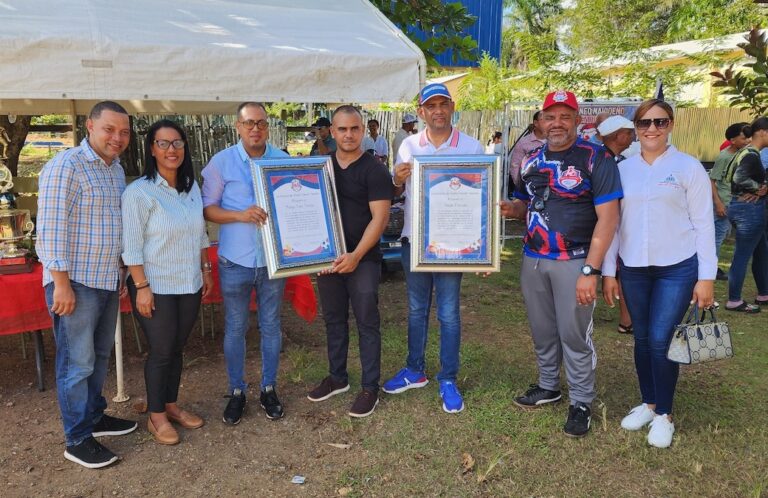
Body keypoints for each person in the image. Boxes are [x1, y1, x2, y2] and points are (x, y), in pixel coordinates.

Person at [500, 90, 622, 438]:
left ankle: (581, 401)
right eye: (550, 116)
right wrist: (514, 210)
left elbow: (609, 219)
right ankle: (548, 385)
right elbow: (528, 204)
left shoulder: (596, 158)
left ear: (576, 120)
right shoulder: (531, 160)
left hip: (576, 260)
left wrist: (591, 270)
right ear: (540, 121)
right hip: (534, 258)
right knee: (542, 329)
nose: (556, 123)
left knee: (574, 334)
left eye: (564, 116)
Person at [602, 98, 716, 449]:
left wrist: (706, 276)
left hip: (677, 267)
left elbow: (703, 223)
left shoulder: (688, 167)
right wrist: (609, 272)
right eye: (644, 123)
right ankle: (649, 403)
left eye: (660, 122)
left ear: (671, 125)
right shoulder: (623, 169)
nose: (652, 129)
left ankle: (665, 413)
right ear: (635, 128)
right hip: (634, 267)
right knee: (641, 339)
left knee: (661, 339)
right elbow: (613, 224)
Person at [37, 101, 138, 469]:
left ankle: (95, 416)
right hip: (75, 283)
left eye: (124, 132)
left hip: (106, 280)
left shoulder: (113, 170)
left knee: (97, 358)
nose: (117, 138)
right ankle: (77, 438)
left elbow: (112, 225)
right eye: (110, 129)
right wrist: (60, 283)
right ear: (89, 126)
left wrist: (121, 272)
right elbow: (49, 229)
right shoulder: (66, 166)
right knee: (76, 363)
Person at [382, 83, 484, 414]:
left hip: (454, 245)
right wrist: (397, 178)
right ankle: (415, 370)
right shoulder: (409, 145)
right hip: (417, 240)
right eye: (431, 105)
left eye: (443, 104)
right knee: (415, 308)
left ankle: (448, 377)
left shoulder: (471, 147)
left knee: (449, 312)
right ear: (421, 111)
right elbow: (398, 191)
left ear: (452, 107)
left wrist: (483, 249)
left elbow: (482, 199)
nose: (437, 110)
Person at [122, 120, 213, 445]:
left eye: (177, 143)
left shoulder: (191, 188)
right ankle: (156, 416)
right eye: (163, 143)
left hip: (187, 281)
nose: (171, 150)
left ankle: (171, 405)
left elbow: (200, 232)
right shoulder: (138, 193)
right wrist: (141, 287)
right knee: (161, 351)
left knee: (176, 348)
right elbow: (131, 246)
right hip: (154, 284)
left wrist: (205, 269)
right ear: (152, 149)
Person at [202, 102, 289, 425]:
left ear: (268, 127)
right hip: (235, 259)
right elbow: (208, 209)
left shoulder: (282, 161)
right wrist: (241, 214)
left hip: (271, 261)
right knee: (236, 327)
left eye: (261, 124)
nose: (256, 129)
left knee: (271, 325)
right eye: (249, 123)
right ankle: (237, 390)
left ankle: (268, 388)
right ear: (237, 127)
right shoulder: (220, 163)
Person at [306, 106, 392, 417]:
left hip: (363, 259)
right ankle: (337, 377)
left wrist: (356, 256)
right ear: (332, 131)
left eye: (354, 129)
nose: (349, 135)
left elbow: (380, 220)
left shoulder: (375, 170)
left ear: (362, 130)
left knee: (367, 322)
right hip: (329, 257)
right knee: (333, 319)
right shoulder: (320, 168)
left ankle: (370, 387)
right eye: (342, 129)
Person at [722, 117, 768, 313]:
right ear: (763, 132)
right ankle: (734, 300)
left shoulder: (745, 152)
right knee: (742, 256)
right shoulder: (751, 154)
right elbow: (739, 177)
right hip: (748, 210)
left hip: (741, 207)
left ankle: (764, 293)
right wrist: (759, 188)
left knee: (761, 251)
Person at [596, 115, 636, 334]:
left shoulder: (610, 159)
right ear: (619, 136)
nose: (632, 138)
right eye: (629, 133)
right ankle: (626, 320)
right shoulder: (604, 161)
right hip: (603, 231)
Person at [709, 123, 749, 281]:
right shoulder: (724, 156)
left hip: (731, 203)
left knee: (720, 236)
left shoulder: (741, 154)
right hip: (722, 204)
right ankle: (711, 271)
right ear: (732, 140)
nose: (747, 140)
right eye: (744, 138)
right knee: (716, 238)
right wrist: (718, 203)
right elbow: (712, 181)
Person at [508, 111, 545, 190]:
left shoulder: (557, 141)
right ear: (536, 123)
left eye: (549, 119)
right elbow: (515, 166)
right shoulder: (523, 143)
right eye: (544, 119)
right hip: (530, 190)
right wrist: (523, 188)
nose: (548, 122)